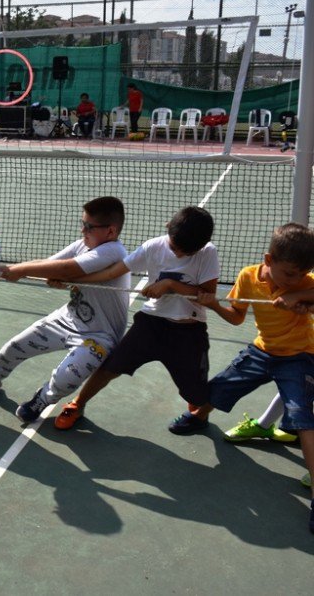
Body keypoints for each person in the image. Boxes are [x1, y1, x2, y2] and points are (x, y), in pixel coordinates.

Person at [179, 223, 314, 532]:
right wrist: (213, 304)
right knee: (222, 385)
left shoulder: (305, 282)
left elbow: (308, 286)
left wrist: (300, 294)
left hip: (300, 357)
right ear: (268, 259)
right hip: (263, 350)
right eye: (290, 274)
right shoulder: (248, 277)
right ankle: (200, 417)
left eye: (302, 275)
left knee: (304, 419)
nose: (295, 279)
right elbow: (237, 318)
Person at [0, 197, 130, 423]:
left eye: (89, 226)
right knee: (15, 346)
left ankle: (43, 398)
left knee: (66, 377)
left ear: (110, 231)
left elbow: (67, 268)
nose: (83, 230)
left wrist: (20, 270)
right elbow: (52, 264)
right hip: (68, 318)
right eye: (83, 223)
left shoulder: (114, 251)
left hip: (99, 335)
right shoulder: (83, 245)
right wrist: (6, 270)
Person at [53, 206, 219, 432]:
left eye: (186, 252)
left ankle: (198, 412)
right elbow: (112, 272)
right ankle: (77, 404)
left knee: (197, 393)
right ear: (167, 228)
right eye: (175, 247)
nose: (179, 253)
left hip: (188, 331)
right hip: (151, 324)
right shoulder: (153, 247)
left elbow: (205, 296)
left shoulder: (207, 252)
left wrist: (169, 285)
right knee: (110, 367)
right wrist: (75, 278)